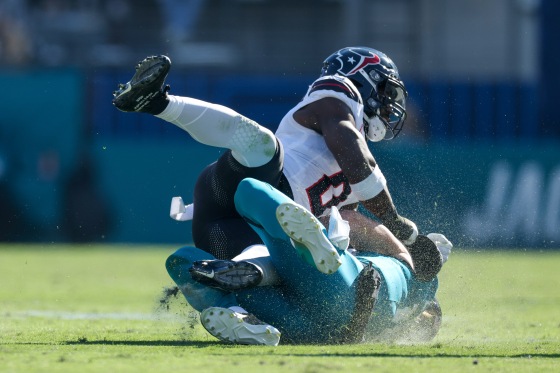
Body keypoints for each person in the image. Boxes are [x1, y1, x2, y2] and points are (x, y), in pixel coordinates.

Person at [112, 47, 419, 269]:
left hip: (229, 228)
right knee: (263, 145)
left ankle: (236, 309)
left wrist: (407, 252)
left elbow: (348, 221)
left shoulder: (355, 162)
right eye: (385, 90)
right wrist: (394, 220)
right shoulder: (337, 96)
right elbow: (356, 159)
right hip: (253, 182)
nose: (390, 105)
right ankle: (158, 102)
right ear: (362, 79)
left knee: (272, 268)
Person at [164, 177, 452, 345]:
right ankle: (242, 318)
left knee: (248, 190)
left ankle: (233, 304)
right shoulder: (405, 313)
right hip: (324, 331)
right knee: (187, 262)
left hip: (346, 286)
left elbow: (350, 218)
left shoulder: (413, 268)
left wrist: (406, 237)